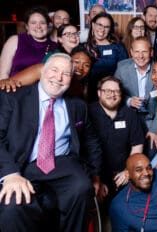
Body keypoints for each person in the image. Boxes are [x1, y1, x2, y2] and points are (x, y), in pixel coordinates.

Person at [0, 53, 102, 232]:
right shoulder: (14, 98)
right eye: (54, 70)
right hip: (21, 164)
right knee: (13, 206)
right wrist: (10, 174)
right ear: (42, 71)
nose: (59, 78)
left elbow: (91, 141)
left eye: (66, 74)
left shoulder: (77, 106)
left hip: (60, 163)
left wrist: (95, 176)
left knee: (82, 187)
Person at [88, 76, 144, 229]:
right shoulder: (88, 112)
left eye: (116, 92)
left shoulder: (130, 115)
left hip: (122, 175)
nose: (112, 95)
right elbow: (83, 150)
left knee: (126, 213)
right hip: (95, 176)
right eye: (107, 91)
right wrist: (96, 180)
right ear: (99, 93)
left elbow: (137, 146)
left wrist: (128, 172)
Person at [114, 37, 157, 160]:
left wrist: (155, 130)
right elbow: (113, 94)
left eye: (144, 51)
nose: (140, 56)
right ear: (131, 52)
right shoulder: (122, 67)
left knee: (151, 150)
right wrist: (128, 101)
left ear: (151, 52)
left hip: (152, 120)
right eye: (137, 52)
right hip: (129, 119)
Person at [1, 45, 94, 101]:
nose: (80, 68)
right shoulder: (43, 69)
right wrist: (6, 82)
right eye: (76, 62)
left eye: (86, 65)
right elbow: (8, 84)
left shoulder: (81, 87)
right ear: (68, 60)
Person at [0, 7, 57, 79]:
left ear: (48, 26)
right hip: (14, 88)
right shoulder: (15, 40)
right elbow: (3, 74)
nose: (38, 26)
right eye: (33, 23)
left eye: (42, 23)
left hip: (41, 89)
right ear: (27, 26)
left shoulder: (54, 46)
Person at [84, 12, 128, 102]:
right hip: (91, 95)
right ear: (93, 25)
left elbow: (125, 72)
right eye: (99, 24)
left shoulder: (118, 47)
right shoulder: (85, 47)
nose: (102, 29)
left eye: (106, 27)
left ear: (110, 29)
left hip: (113, 93)